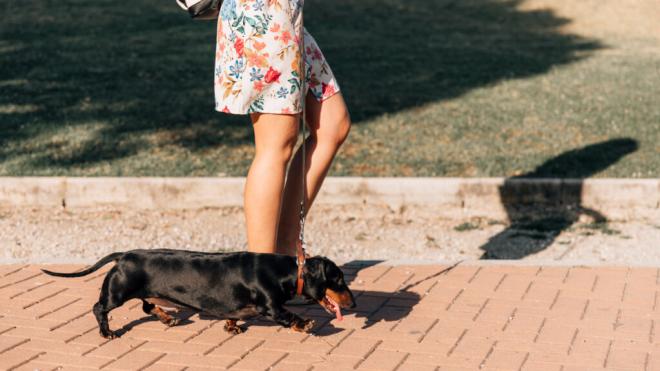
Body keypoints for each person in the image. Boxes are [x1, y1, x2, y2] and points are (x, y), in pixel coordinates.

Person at [214, 0, 351, 256]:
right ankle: (262, 274)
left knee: (333, 125)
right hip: (265, 17)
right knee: (275, 147)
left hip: (285, 18)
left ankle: (285, 250)